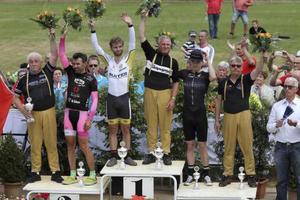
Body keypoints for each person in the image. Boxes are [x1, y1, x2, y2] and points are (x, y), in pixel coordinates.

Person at [13, 28, 63, 183]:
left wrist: (52, 37)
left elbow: (54, 55)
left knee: (50, 142)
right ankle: (35, 172)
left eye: (36, 61)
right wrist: (23, 110)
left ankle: (55, 171)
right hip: (32, 115)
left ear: (41, 62)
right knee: (35, 143)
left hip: (49, 111)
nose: (34, 64)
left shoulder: (47, 71)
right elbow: (14, 97)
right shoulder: (23, 79)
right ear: (28, 64)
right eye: (31, 61)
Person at [90, 13, 137, 167]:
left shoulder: (128, 59)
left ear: (122, 47)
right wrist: (93, 30)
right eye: (115, 47)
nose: (117, 49)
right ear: (111, 48)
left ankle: (127, 155)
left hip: (124, 98)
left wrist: (130, 25)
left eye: (119, 46)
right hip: (111, 99)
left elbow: (133, 43)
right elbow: (97, 48)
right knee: (112, 130)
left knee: (125, 130)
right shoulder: (108, 61)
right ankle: (113, 156)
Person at [214, 54, 263, 188]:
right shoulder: (223, 82)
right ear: (229, 67)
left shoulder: (246, 79)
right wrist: (217, 120)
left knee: (247, 145)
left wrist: (263, 56)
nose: (235, 68)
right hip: (228, 115)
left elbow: (258, 70)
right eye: (233, 65)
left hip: (244, 114)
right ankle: (227, 174)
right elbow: (218, 101)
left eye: (238, 65)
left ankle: (251, 175)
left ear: (242, 67)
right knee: (228, 146)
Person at [139, 11, 179, 165]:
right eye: (163, 44)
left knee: (165, 126)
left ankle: (166, 152)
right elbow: (142, 37)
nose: (165, 46)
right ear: (159, 44)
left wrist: (173, 98)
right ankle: (151, 152)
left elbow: (176, 82)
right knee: (151, 124)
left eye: (168, 45)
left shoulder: (173, 62)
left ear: (171, 46)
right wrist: (143, 19)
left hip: (165, 94)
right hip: (149, 92)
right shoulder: (151, 54)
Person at [59, 30, 98, 185]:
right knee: (70, 145)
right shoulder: (70, 72)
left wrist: (90, 118)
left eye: (78, 63)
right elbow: (62, 55)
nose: (75, 66)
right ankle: (72, 174)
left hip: (82, 116)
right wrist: (62, 38)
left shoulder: (91, 79)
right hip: (69, 114)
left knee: (83, 146)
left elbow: (95, 100)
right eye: (73, 63)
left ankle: (93, 175)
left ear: (85, 63)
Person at [177, 49, 216, 186]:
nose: (194, 64)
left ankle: (206, 174)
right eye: (192, 61)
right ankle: (190, 174)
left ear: (201, 63)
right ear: (189, 62)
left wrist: (208, 61)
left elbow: (214, 77)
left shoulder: (205, 76)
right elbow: (172, 75)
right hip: (187, 114)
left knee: (202, 145)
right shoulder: (185, 74)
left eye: (197, 61)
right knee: (190, 145)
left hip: (200, 115)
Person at [266, 77, 300, 200]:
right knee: (281, 180)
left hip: (297, 146)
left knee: (299, 179)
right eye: (285, 86)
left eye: (290, 87)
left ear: (296, 89)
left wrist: (296, 124)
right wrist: (276, 125)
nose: (286, 89)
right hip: (280, 146)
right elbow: (269, 127)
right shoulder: (277, 106)